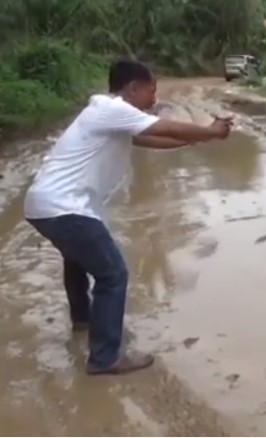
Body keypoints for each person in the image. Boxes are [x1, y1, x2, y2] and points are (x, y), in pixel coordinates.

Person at [24, 59, 234, 375]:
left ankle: (83, 319)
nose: (154, 99)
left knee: (77, 259)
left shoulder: (106, 114)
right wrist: (211, 132)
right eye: (152, 91)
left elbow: (148, 139)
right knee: (113, 274)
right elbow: (161, 127)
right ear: (133, 88)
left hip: (46, 205)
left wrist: (195, 139)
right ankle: (105, 358)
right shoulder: (113, 109)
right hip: (63, 206)